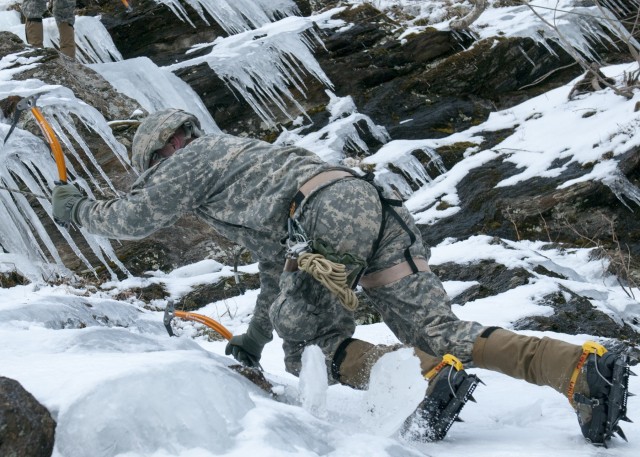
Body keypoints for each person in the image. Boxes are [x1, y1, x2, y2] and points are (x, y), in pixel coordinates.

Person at [51, 109, 631, 445]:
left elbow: (131, 218)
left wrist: (74, 208)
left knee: (310, 345)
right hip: (373, 207)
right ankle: (580, 370)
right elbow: (282, 266)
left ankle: (428, 384)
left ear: (162, 150)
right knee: (438, 330)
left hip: (322, 219)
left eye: (155, 163)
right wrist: (253, 336)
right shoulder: (248, 160)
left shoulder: (190, 161)